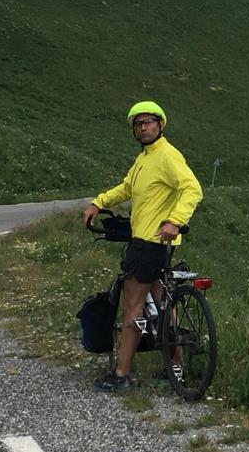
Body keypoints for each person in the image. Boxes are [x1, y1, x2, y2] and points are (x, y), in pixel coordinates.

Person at [81, 101, 202, 392]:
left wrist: (175, 221)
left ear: (160, 125)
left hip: (150, 243)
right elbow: (127, 188)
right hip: (151, 242)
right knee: (162, 304)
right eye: (138, 123)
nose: (144, 127)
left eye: (149, 122)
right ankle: (176, 367)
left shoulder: (166, 155)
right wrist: (99, 202)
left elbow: (193, 189)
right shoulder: (144, 158)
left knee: (132, 307)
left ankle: (121, 374)